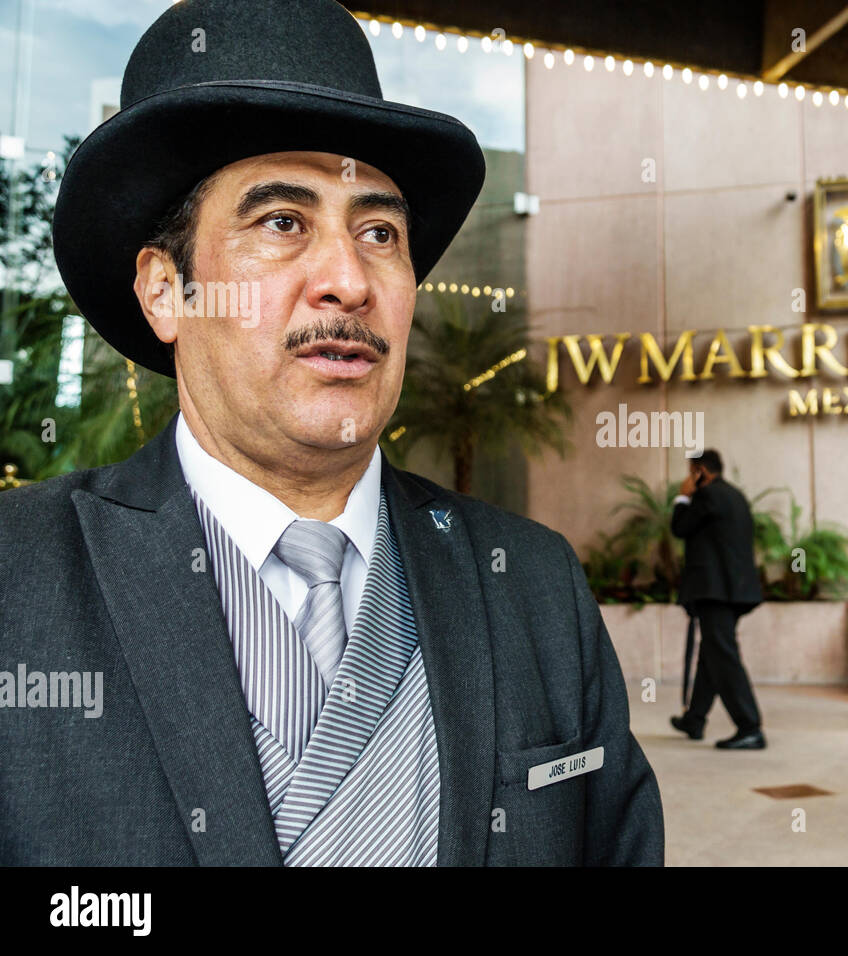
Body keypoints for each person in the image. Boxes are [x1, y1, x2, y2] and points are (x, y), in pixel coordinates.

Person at [0, 0, 662, 866]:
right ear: (166, 290)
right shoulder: (21, 582)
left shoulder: (533, 582)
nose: (348, 280)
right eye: (282, 222)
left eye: (380, 232)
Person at [668, 449, 766, 749]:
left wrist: (683, 498)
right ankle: (695, 719)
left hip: (715, 590)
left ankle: (750, 727)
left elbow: (679, 528)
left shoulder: (706, 496)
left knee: (722, 654)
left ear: (701, 472)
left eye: (691, 472)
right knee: (712, 652)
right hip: (732, 590)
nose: (687, 479)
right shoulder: (735, 496)